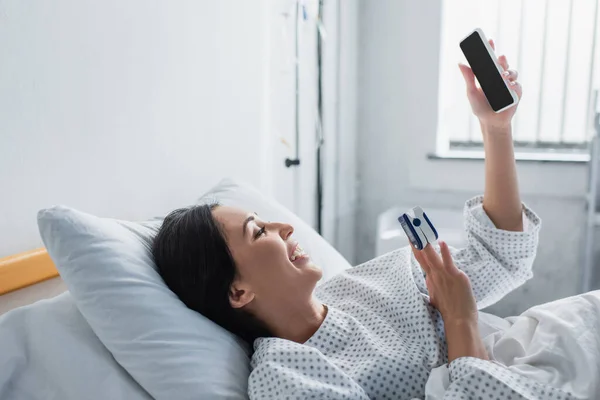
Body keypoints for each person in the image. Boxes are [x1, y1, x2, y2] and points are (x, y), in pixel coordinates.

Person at [152, 40, 598, 399]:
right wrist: (460, 321)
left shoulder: (370, 281)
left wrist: (497, 129)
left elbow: (501, 255)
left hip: (562, 344)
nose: (283, 227)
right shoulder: (286, 377)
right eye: (257, 231)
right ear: (237, 290)